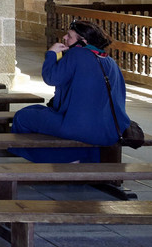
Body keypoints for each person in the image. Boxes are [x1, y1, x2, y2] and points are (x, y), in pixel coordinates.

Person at [11, 20, 131, 162]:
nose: (65, 38)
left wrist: (51, 54)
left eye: (69, 36)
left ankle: (65, 158)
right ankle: (83, 156)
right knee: (36, 109)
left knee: (22, 117)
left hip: (80, 127)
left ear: (83, 41)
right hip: (110, 130)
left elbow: (51, 78)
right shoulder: (110, 61)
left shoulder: (76, 54)